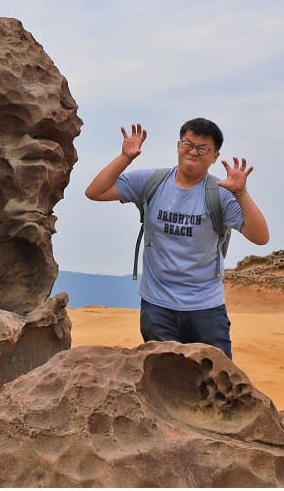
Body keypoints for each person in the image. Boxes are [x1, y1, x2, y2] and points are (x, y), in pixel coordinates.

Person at [84, 118, 269, 359]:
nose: (193, 152)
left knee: (215, 386)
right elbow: (94, 191)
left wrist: (241, 193)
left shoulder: (220, 195)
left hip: (206, 308)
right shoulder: (151, 182)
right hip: (157, 306)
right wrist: (125, 157)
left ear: (215, 156)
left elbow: (260, 236)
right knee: (164, 386)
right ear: (178, 145)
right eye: (188, 144)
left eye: (203, 148)